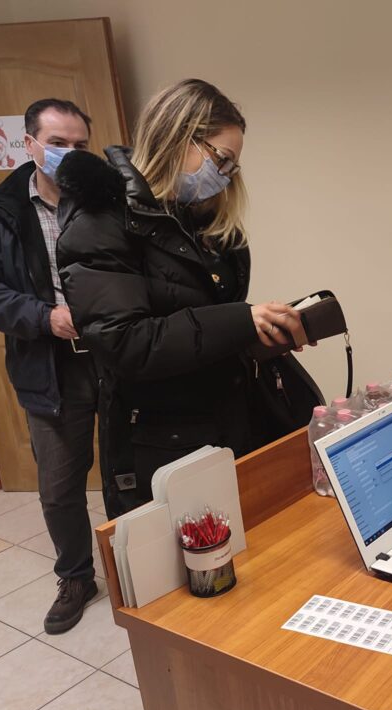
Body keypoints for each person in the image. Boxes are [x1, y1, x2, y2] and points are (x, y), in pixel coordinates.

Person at [55, 79, 321, 518]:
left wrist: (259, 332)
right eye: (221, 158)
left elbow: (204, 321)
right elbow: (125, 342)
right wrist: (241, 320)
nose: (226, 174)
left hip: (224, 419)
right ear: (179, 138)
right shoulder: (101, 224)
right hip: (163, 442)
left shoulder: (199, 220)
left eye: (233, 166)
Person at [0, 99, 100, 634]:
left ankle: (143, 568)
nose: (70, 154)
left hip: (118, 356)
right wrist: (43, 317)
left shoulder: (106, 199)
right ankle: (77, 577)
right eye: (58, 144)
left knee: (134, 473)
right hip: (50, 367)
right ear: (30, 144)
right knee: (59, 487)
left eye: (80, 145)